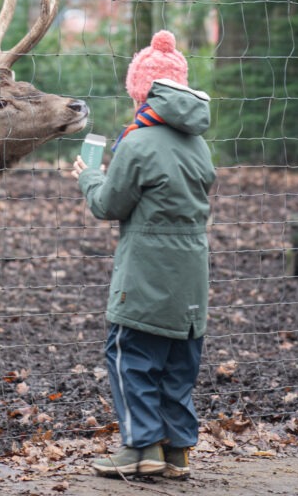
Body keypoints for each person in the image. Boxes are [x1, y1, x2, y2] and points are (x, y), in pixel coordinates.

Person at [72, 30, 215, 479]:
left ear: (142, 90)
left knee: (129, 357)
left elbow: (108, 205)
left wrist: (89, 178)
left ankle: (142, 445)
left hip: (144, 277)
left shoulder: (136, 142)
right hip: (192, 278)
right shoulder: (199, 143)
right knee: (177, 365)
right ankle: (176, 453)